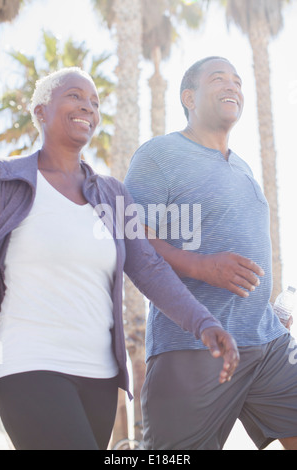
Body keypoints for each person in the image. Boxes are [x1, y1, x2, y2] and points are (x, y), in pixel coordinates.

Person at [0, 67, 239, 451]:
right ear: (41, 111)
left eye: (94, 103)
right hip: (30, 366)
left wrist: (204, 323)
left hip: (101, 378)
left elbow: (149, 268)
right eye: (75, 96)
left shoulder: (112, 195)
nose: (88, 109)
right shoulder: (6, 182)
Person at [124, 56, 297, 450]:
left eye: (237, 80)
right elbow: (128, 236)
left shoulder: (244, 169)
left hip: (268, 341)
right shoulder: (158, 155)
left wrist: (265, 309)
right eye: (218, 79)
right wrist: (200, 266)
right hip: (192, 346)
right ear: (189, 97)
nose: (232, 86)